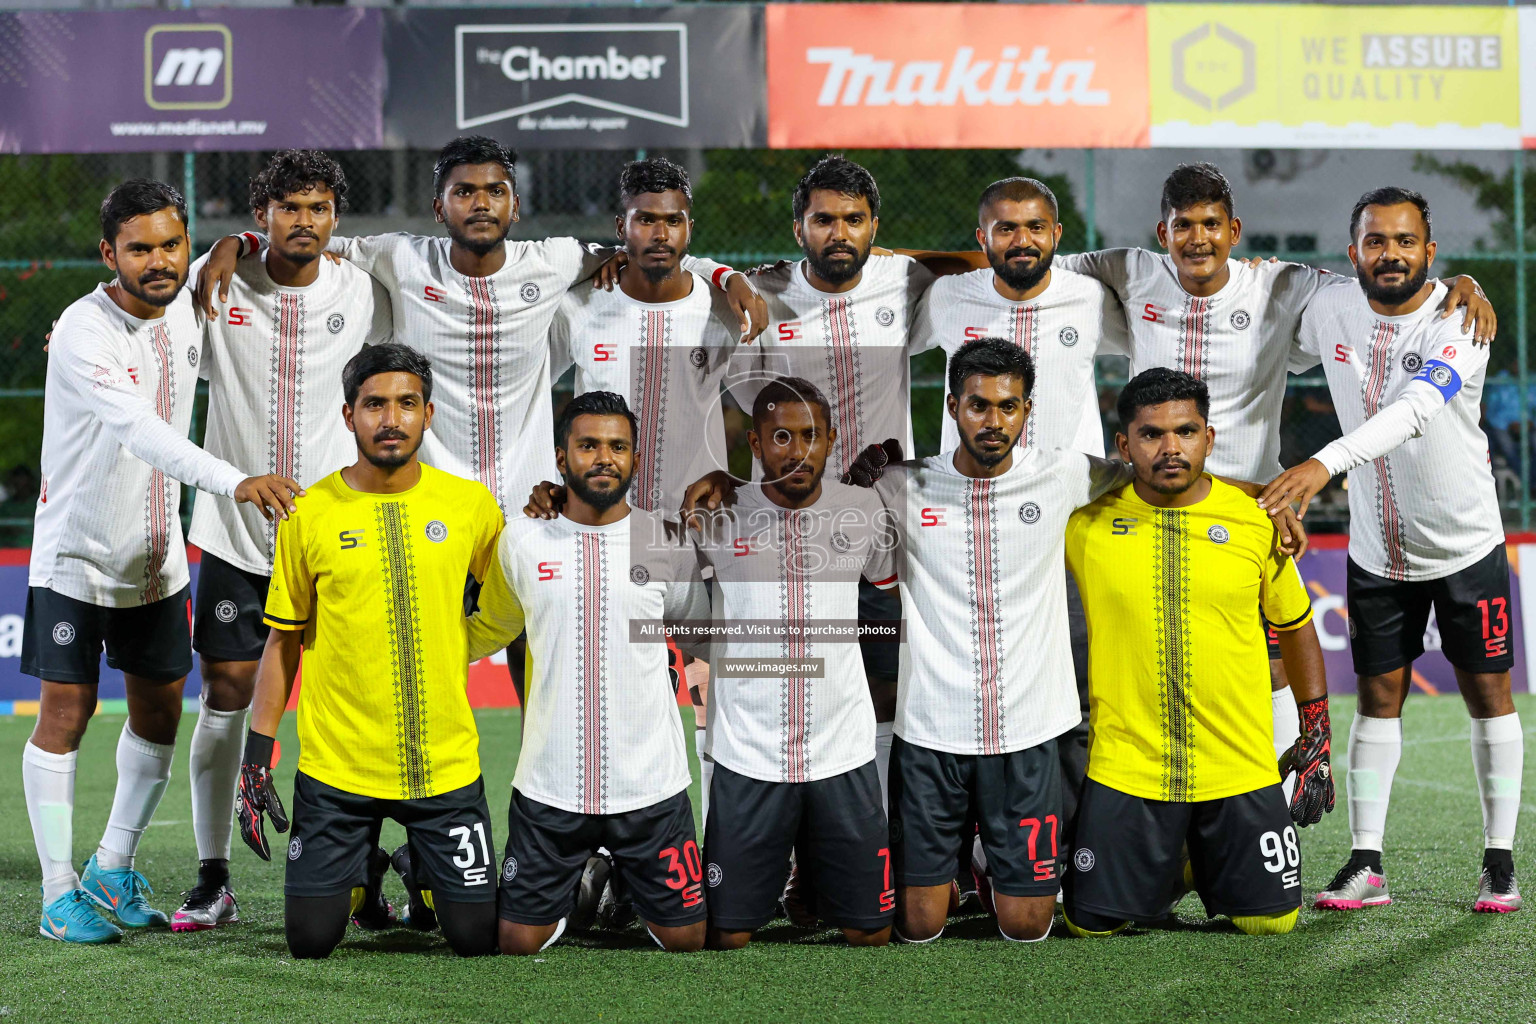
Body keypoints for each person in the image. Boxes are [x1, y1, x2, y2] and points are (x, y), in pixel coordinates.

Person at [21, 179, 300, 944]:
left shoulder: (188, 301)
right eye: (139, 248)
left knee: (156, 717)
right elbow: (142, 433)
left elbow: (238, 249)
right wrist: (234, 480)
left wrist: (232, 246)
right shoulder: (83, 330)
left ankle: (115, 862)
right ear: (108, 253)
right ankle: (56, 892)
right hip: (76, 561)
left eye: (171, 244)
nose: (159, 260)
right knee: (66, 718)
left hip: (157, 564)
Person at [1260, 187, 1522, 913]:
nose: (1391, 254)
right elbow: (1265, 304)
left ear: (1430, 253)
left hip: (1467, 544)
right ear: (1354, 253)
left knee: (1489, 698)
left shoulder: (1461, 319)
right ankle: (1366, 864)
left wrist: (1320, 463)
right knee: (1377, 702)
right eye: (1376, 241)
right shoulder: (1331, 304)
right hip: (1379, 553)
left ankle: (1499, 862)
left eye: (1406, 241)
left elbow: (1413, 411)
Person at [176, 149, 394, 933]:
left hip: (336, 540)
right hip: (235, 536)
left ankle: (365, 876)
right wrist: (223, 248)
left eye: (318, 207)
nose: (304, 220)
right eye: (288, 207)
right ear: (259, 212)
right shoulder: (215, 281)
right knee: (226, 699)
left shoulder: (364, 292)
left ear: (336, 216)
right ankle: (212, 877)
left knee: (348, 707)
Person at [235, 343, 505, 958]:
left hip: (444, 768)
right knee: (310, 942)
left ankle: (418, 865)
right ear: (348, 415)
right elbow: (284, 641)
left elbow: (515, 606)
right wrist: (257, 755)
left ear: (429, 414)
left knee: (478, 938)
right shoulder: (307, 515)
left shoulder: (471, 507)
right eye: (374, 404)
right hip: (336, 771)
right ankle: (362, 871)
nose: (392, 419)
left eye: (407, 404)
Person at [868, 339, 1134, 943]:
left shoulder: (1065, 473)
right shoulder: (899, 486)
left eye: (1009, 407)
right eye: (980, 406)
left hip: (1027, 732)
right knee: (918, 925)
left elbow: (1166, 473)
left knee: (1026, 926)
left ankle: (992, 864)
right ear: (953, 405)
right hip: (932, 731)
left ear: (1028, 410)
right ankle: (963, 862)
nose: (995, 422)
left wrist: (1268, 498)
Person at [1062, 368, 1333, 938]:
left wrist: (1317, 733)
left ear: (1208, 439)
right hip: (1127, 768)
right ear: (1123, 445)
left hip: (1238, 766)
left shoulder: (1257, 524)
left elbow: (1297, 626)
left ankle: (1188, 858)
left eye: (1186, 432)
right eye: (1151, 435)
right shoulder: (1082, 526)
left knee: (1272, 924)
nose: (1170, 449)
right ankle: (1180, 856)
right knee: (1091, 924)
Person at [907, 177, 1131, 865]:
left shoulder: (1091, 298)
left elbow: (1171, 304)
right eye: (1004, 228)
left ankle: (1066, 856)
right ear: (982, 240)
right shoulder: (948, 299)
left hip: (1069, 525)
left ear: (1058, 236)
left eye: (1035, 226)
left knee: (1077, 696)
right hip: (959, 524)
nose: (1021, 239)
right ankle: (967, 854)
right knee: (952, 693)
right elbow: (868, 298)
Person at [466, 391, 710, 954]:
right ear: (560, 457)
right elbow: (491, 628)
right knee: (516, 944)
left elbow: (699, 636)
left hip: (651, 785)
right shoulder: (522, 541)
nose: (604, 457)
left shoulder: (667, 542)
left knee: (687, 940)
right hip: (549, 785)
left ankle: (619, 877)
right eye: (589, 445)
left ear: (635, 459)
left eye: (618, 446)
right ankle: (590, 881)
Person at [688, 376, 898, 949]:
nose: (797, 449)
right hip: (747, 753)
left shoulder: (863, 509)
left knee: (871, 932)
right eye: (781, 436)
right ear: (755, 445)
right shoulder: (715, 512)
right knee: (728, 936)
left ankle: (810, 883)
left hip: (842, 751)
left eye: (812, 435)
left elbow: (889, 578)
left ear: (831, 441)